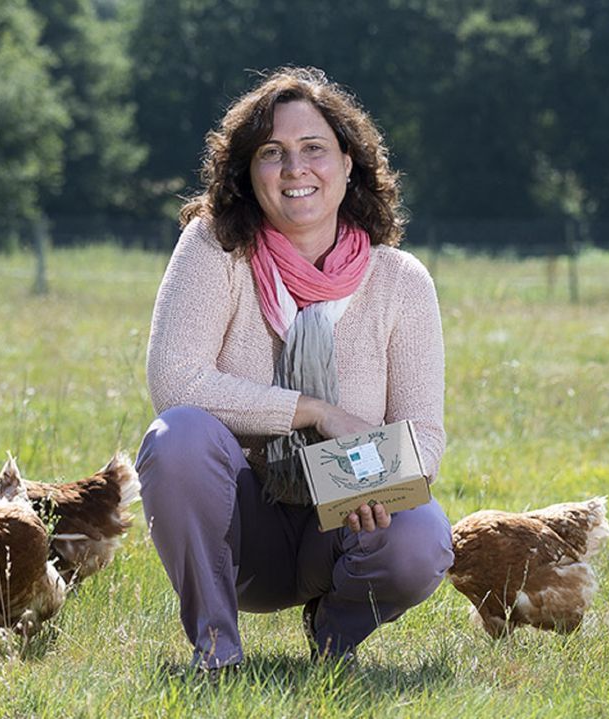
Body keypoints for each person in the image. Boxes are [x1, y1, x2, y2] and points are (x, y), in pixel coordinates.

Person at [137, 66, 453, 671]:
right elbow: (175, 379)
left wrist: (360, 479)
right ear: (247, 172)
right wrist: (315, 412)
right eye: (272, 153)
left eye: (314, 149)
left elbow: (425, 438)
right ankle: (216, 650)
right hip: (240, 521)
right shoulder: (214, 249)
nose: (294, 169)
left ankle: (333, 635)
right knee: (178, 436)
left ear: (349, 163)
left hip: (337, 523)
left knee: (421, 538)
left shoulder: (401, 281)